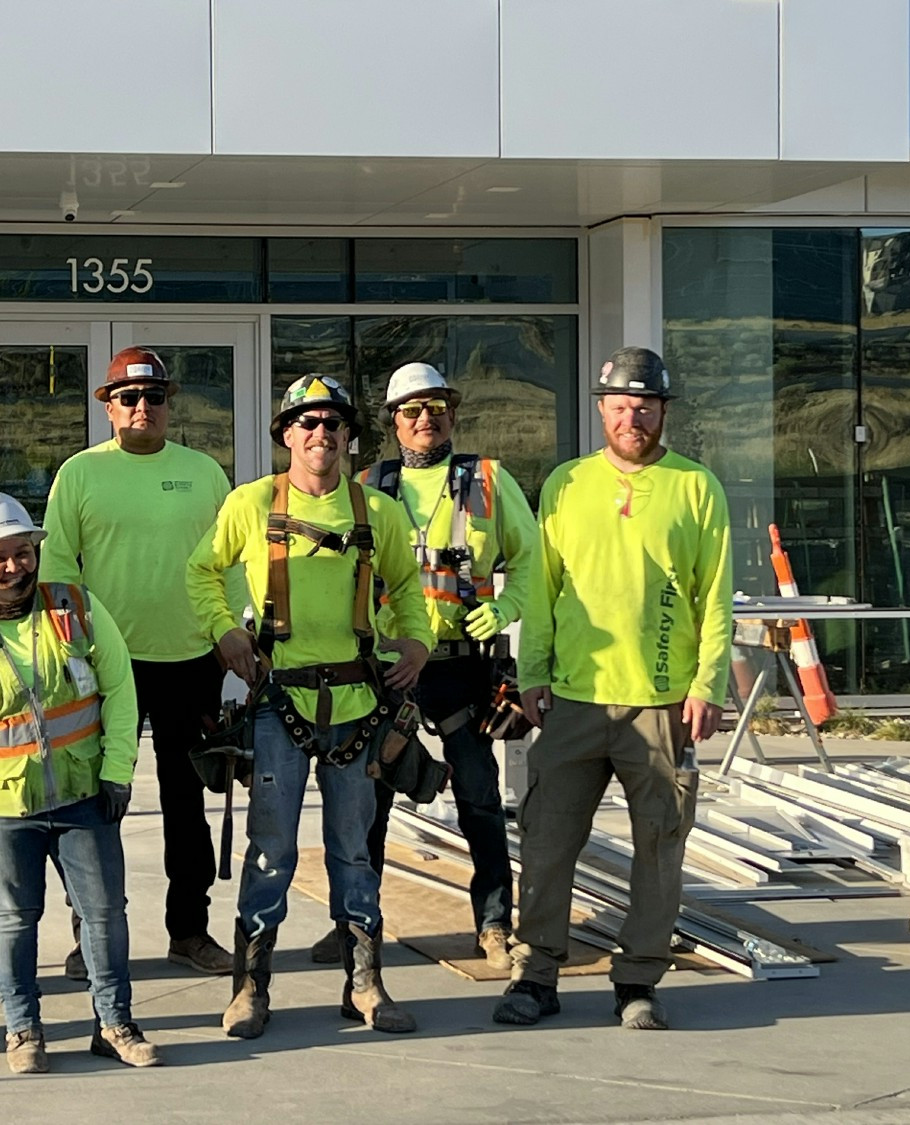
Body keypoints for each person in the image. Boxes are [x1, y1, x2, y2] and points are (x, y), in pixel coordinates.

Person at [187, 375, 434, 1040]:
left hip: (357, 703)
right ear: (286, 435)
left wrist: (417, 640)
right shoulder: (250, 504)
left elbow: (410, 588)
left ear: (349, 435)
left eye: (332, 423)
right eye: (306, 423)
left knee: (354, 849)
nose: (320, 434)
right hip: (279, 703)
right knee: (271, 850)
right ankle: (249, 986)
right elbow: (200, 571)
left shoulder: (376, 513)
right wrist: (224, 630)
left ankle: (366, 983)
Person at [494, 347, 732, 1032]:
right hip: (573, 698)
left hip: (661, 704)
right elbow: (542, 589)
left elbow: (714, 597)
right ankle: (536, 974)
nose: (634, 417)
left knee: (659, 845)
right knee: (545, 841)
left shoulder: (695, 487)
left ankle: (637, 980)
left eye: (646, 405)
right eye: (621, 405)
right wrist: (531, 673)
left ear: (663, 410)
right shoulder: (567, 484)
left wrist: (706, 683)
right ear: (601, 408)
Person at [0, 491, 160, 1074]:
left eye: (22, 553)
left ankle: (115, 1023)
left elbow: (120, 690)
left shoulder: (76, 606)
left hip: (84, 796)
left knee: (103, 914)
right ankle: (23, 1031)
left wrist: (118, 770)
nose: (15, 566)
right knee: (12, 919)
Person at [312, 363, 536, 971]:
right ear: (393, 423)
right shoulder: (366, 486)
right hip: (388, 670)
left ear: (453, 414)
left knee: (479, 798)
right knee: (371, 802)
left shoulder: (488, 481)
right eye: (411, 411)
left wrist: (507, 606)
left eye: (435, 407)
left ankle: (493, 924)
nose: (424, 419)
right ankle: (355, 925)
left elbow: (535, 560)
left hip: (462, 668)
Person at [41, 346, 233, 978]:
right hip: (103, 666)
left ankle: (191, 930)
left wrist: (231, 634)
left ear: (169, 405)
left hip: (190, 658)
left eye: (153, 397)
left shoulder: (204, 472)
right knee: (94, 803)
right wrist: (72, 647)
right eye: (128, 398)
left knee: (186, 803)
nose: (142, 408)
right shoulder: (79, 474)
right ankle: (89, 935)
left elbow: (229, 564)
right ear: (109, 407)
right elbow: (58, 569)